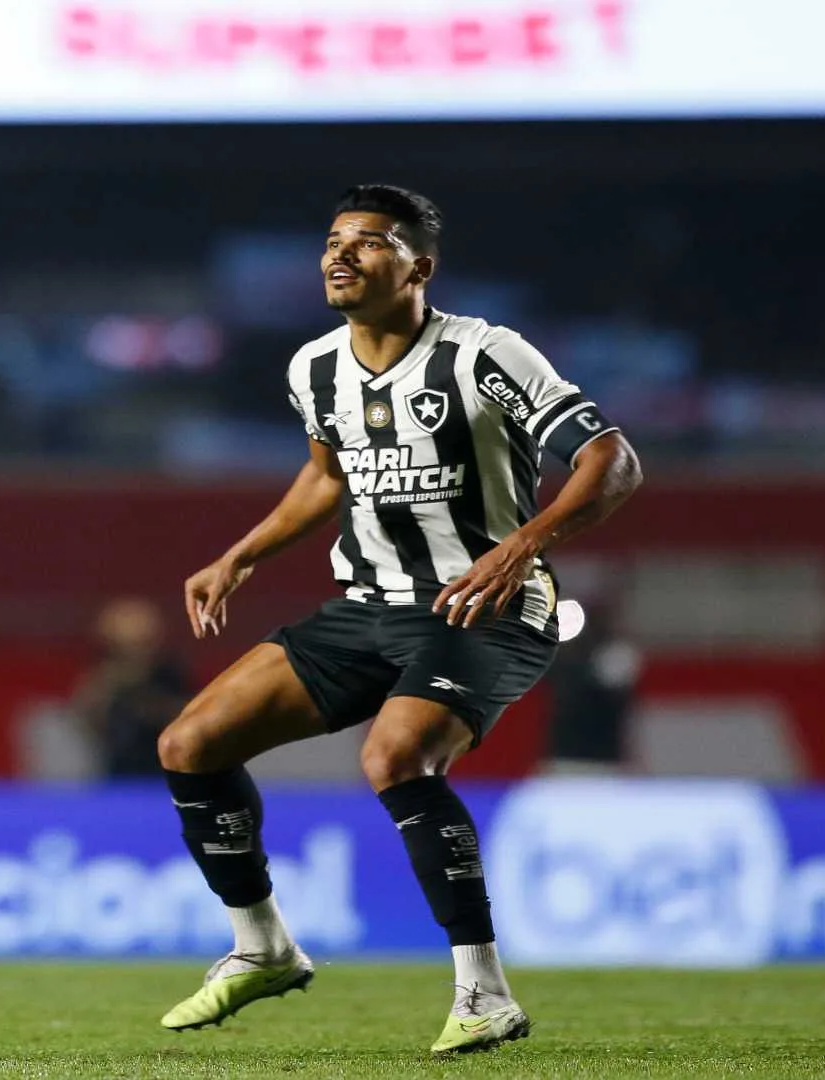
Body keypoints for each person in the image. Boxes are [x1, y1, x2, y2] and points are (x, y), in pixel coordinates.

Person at [154, 185, 642, 1053]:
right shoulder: (315, 367)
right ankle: (262, 947)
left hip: (484, 605)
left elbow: (612, 460)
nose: (341, 255)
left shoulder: (485, 354)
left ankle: (485, 995)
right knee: (189, 745)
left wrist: (522, 544)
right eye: (334, 241)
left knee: (394, 755)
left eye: (369, 242)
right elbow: (326, 475)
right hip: (366, 608)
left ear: (420, 265)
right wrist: (242, 553)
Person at [69, 597, 193, 777]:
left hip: (167, 771)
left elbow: (189, 717)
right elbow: (85, 718)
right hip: (114, 773)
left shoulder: (170, 673)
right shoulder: (104, 674)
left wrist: (152, 707)